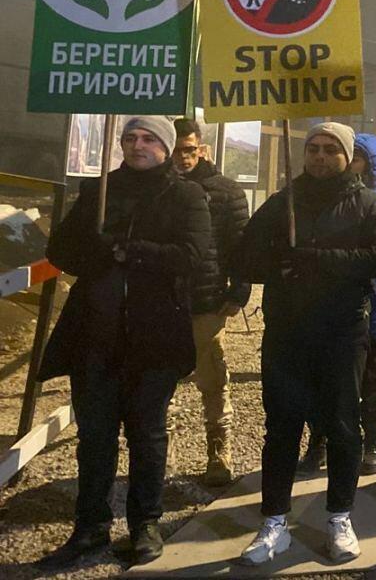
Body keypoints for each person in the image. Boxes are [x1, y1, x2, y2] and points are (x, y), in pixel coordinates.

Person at [38, 116, 209, 568]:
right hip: (95, 336)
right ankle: (89, 528)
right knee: (95, 437)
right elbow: (60, 250)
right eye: (130, 138)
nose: (137, 145)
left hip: (155, 338)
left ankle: (144, 524)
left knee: (147, 434)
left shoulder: (186, 195)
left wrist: (128, 250)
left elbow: (192, 256)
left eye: (149, 139)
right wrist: (92, 247)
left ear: (166, 147)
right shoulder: (100, 190)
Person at [234, 122, 376, 566]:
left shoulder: (368, 203)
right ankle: (274, 522)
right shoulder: (283, 201)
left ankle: (339, 516)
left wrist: (318, 260)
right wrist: (277, 263)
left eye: (331, 149)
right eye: (313, 148)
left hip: (342, 332)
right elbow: (244, 255)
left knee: (343, 426)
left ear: (347, 157)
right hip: (287, 331)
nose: (320, 157)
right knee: (282, 428)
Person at [299, 134, 376, 477]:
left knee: (373, 379)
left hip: (374, 308)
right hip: (329, 306)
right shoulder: (323, 202)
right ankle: (319, 438)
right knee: (321, 376)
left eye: (358, 158)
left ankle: (372, 439)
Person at [170, 117, 251, 488]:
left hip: (206, 299)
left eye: (189, 149)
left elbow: (240, 246)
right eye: (176, 150)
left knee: (213, 376)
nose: (183, 157)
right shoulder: (156, 187)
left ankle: (219, 449)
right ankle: (160, 450)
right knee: (159, 380)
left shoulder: (226, 192)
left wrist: (239, 289)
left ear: (201, 148)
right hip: (160, 300)